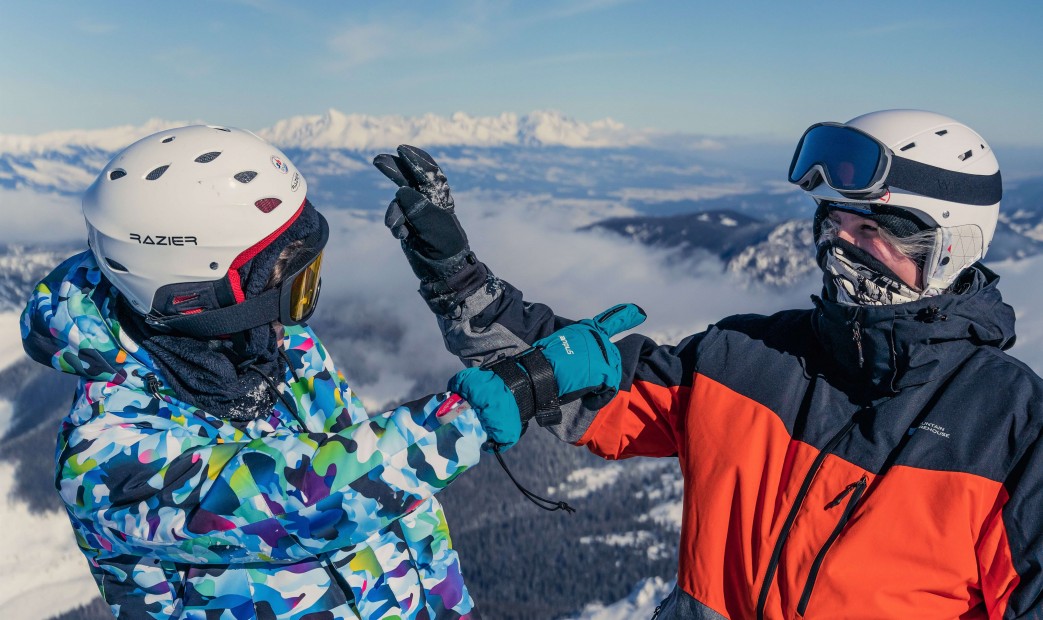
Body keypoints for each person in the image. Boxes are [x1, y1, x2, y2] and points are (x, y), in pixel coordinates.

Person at [375, 111, 1043, 618]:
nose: (839, 249)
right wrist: (453, 274)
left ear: (949, 249)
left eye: (869, 232)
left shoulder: (1010, 434)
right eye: (834, 225)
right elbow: (573, 376)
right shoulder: (746, 358)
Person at [20, 125, 635, 619]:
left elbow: (378, 489)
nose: (303, 294)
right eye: (286, 274)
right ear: (191, 293)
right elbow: (309, 499)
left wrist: (458, 276)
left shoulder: (278, 351)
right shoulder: (108, 459)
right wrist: (496, 402)